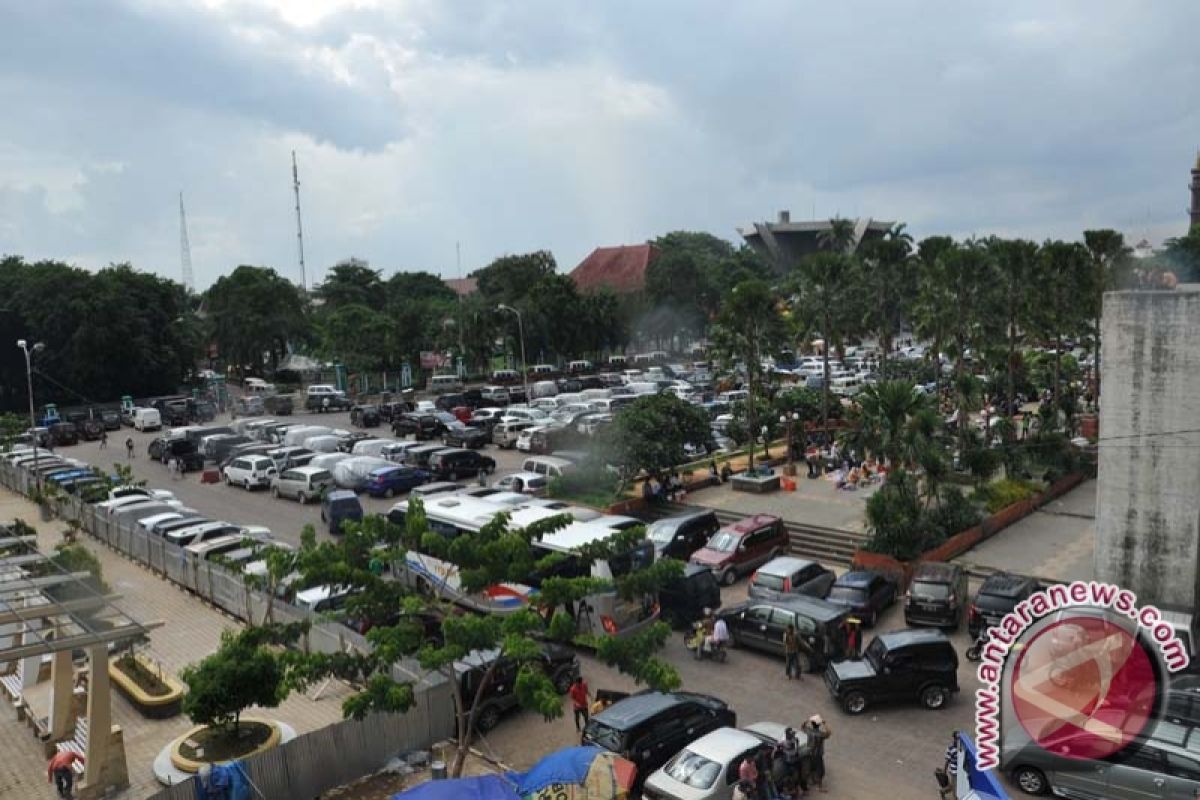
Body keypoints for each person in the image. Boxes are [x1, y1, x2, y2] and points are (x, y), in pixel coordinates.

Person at [801, 715, 831, 793]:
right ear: (819, 725)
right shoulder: (820, 734)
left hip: (809, 753)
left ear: (812, 724)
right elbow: (829, 733)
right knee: (820, 771)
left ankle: (808, 785)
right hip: (817, 755)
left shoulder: (809, 731)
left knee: (809, 769)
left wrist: (808, 720)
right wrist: (824, 723)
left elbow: (802, 726)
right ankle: (819, 787)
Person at [939, 733, 960, 799]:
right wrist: (944, 771)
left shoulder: (960, 747)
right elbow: (947, 761)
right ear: (954, 738)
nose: (958, 740)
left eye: (959, 739)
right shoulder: (950, 748)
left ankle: (942, 791)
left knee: (952, 785)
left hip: (960, 770)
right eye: (957, 738)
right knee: (955, 790)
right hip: (954, 771)